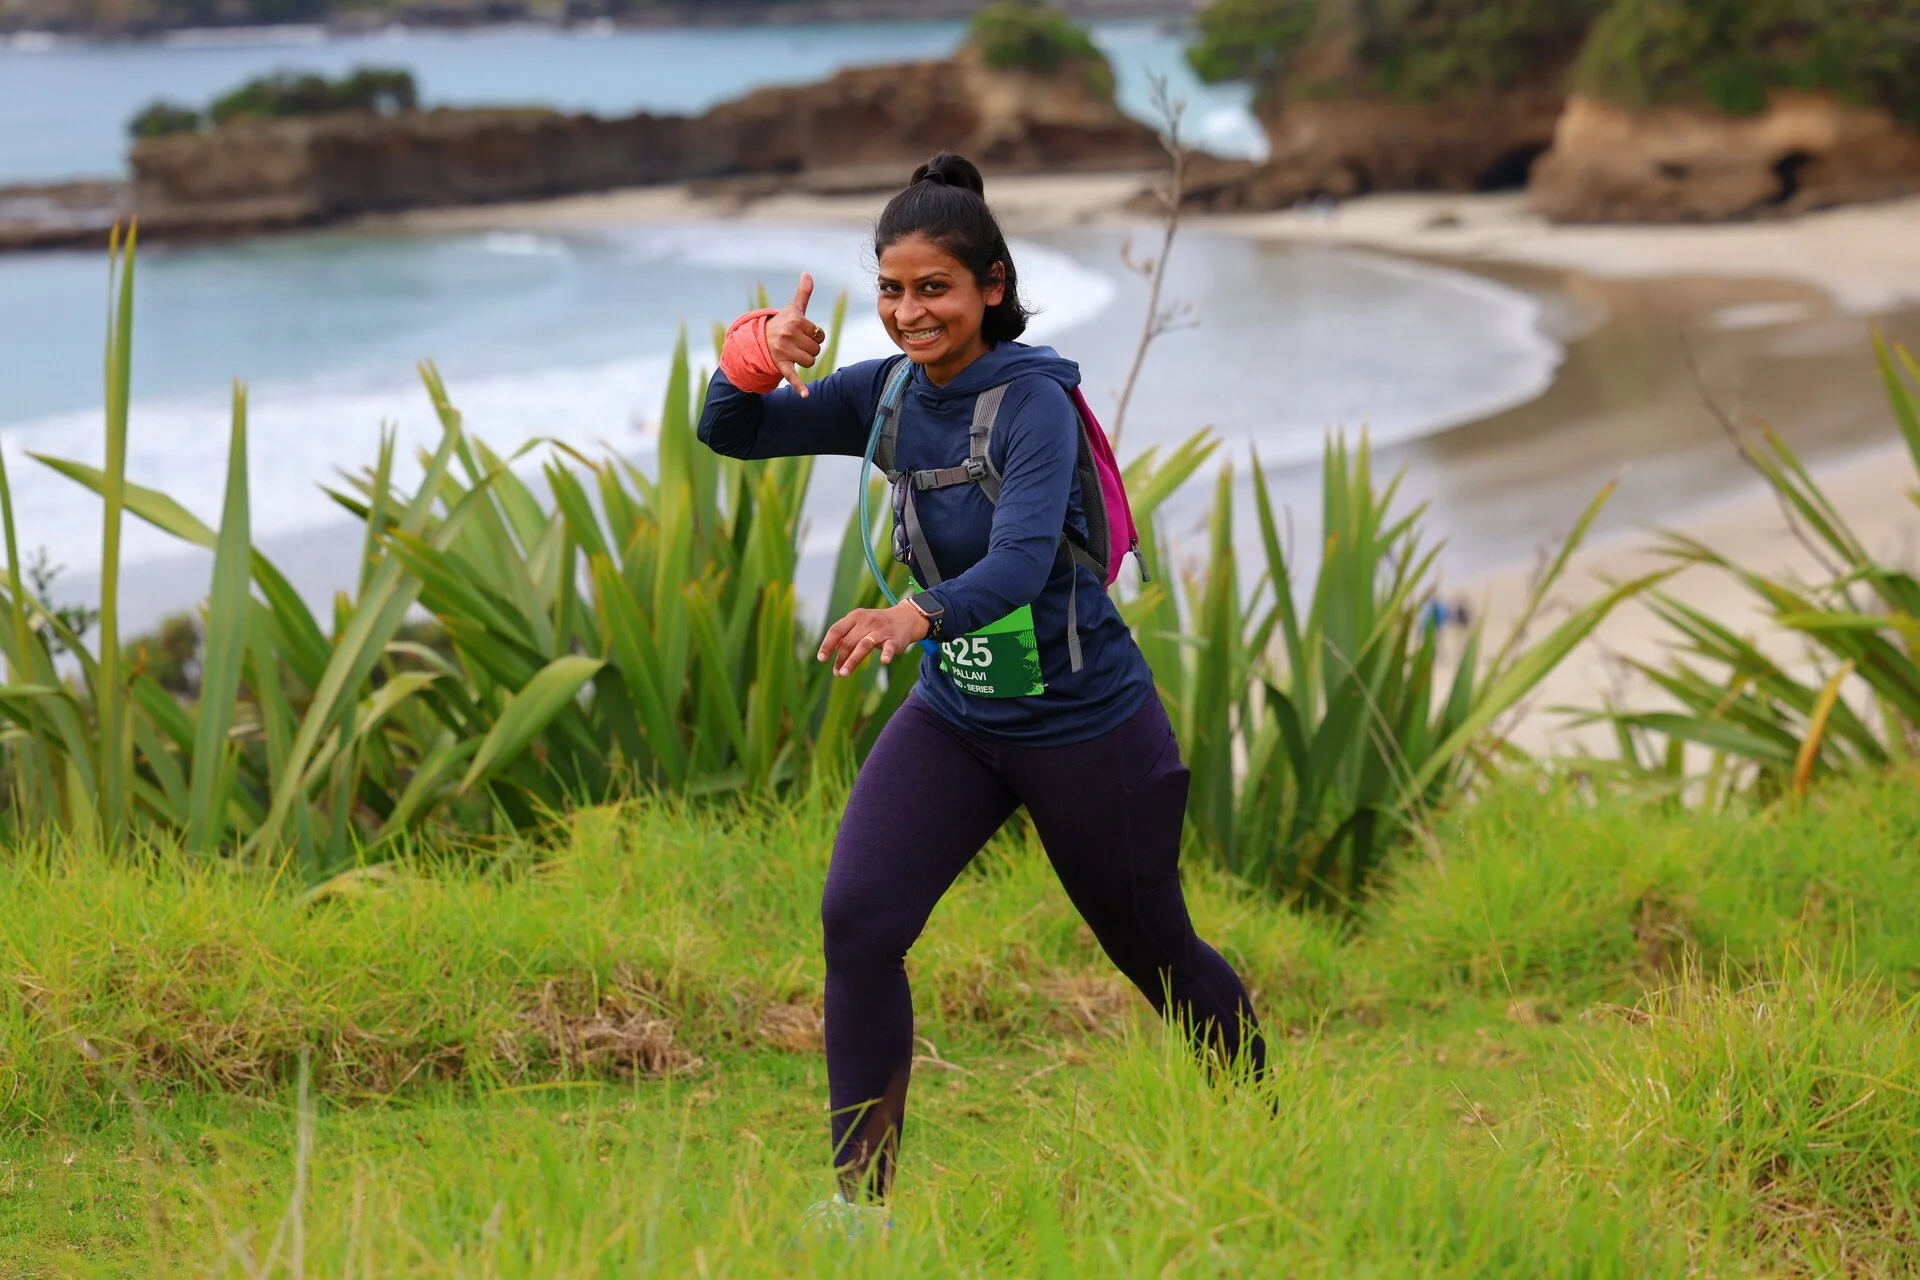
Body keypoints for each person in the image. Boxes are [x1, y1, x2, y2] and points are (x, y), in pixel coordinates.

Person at [696, 152, 1266, 1209]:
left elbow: (1019, 558)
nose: (910, 312)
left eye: (935, 288)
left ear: (991, 287)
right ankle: (859, 1209)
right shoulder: (888, 394)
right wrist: (755, 353)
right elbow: (728, 432)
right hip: (958, 715)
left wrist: (913, 612)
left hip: (1083, 719)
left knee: (1155, 947)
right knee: (859, 920)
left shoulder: (1033, 403)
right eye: (893, 289)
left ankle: (1267, 1128)